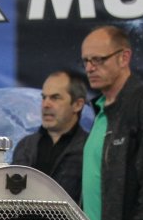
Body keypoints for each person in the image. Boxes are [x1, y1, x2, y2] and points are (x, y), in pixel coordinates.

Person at [78, 25, 143, 220]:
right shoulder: (100, 109)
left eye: (98, 60)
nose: (89, 68)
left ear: (124, 58)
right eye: (86, 61)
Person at [12, 70, 88, 202]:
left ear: (77, 105)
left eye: (55, 98)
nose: (45, 105)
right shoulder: (25, 146)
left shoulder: (89, 148)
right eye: (44, 97)